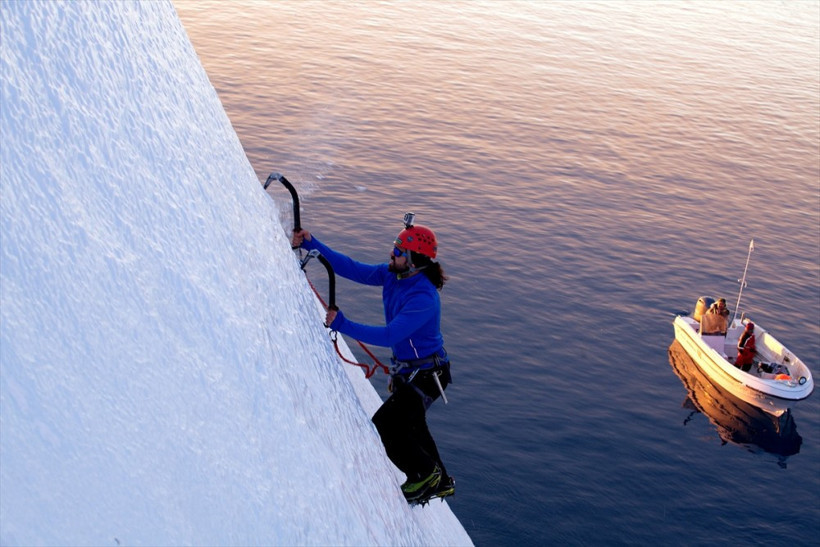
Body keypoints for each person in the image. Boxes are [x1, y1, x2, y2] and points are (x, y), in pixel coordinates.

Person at [291, 218, 454, 504]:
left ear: (414, 260)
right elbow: (352, 268)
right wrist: (311, 242)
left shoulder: (424, 298)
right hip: (416, 372)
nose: (393, 254)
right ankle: (440, 479)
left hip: (427, 376)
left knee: (387, 426)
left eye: (399, 252)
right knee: (413, 426)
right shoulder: (394, 275)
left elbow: (391, 334)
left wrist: (343, 324)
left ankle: (425, 476)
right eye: (395, 248)